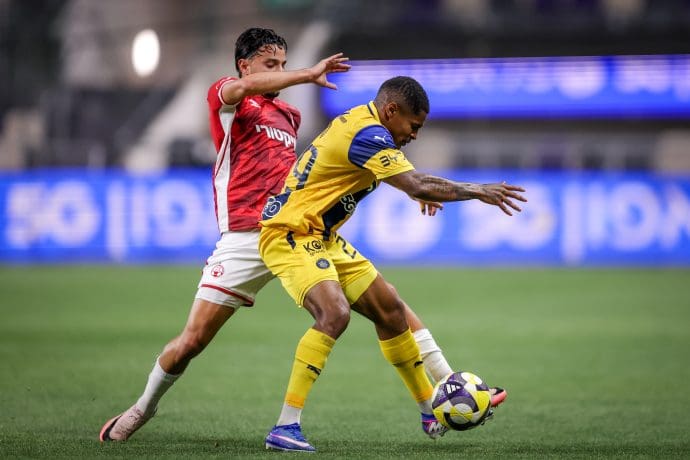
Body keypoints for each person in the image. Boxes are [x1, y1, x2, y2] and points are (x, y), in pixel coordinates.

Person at [98, 28, 499, 444]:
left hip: (301, 227)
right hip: (245, 235)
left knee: (391, 307)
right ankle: (143, 407)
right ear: (245, 65)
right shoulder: (228, 97)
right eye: (270, 64)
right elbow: (246, 89)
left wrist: (416, 188)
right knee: (193, 340)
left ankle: (439, 399)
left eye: (283, 64)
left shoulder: (289, 116)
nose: (279, 71)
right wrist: (307, 74)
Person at [259, 75, 526, 452]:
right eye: (413, 125)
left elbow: (396, 176)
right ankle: (286, 426)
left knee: (390, 309)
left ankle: (430, 411)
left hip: (321, 235)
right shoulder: (369, 134)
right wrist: (477, 190)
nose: (415, 134)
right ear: (391, 111)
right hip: (291, 232)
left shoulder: (368, 125)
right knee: (334, 313)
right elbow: (415, 182)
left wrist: (418, 188)